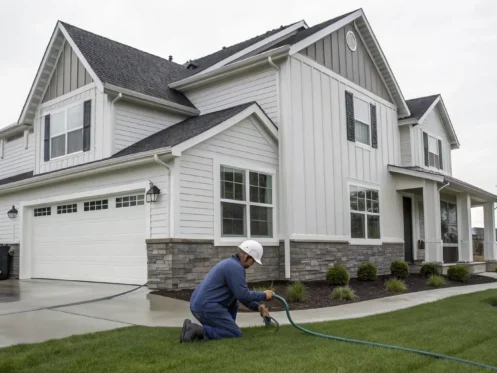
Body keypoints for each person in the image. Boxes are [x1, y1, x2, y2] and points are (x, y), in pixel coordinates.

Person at [180, 240, 273, 343]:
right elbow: (243, 294)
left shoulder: (231, 264)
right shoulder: (235, 267)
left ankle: (222, 327)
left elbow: (239, 295)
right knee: (234, 334)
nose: (253, 264)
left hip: (200, 305)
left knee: (234, 302)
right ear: (246, 256)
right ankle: (195, 330)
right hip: (206, 307)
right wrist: (264, 295)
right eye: (253, 261)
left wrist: (258, 307)